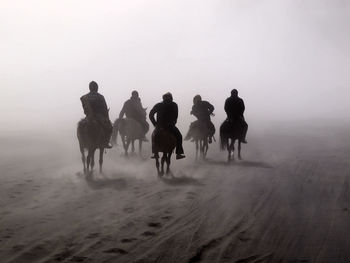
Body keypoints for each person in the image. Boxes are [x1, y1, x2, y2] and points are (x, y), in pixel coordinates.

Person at [149, 92, 185, 160]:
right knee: (179, 136)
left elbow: (151, 114)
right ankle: (178, 153)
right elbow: (175, 116)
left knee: (153, 136)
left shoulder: (158, 105)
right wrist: (173, 122)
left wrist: (155, 124)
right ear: (171, 98)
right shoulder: (174, 104)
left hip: (159, 126)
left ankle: (155, 153)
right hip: (170, 126)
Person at [80, 81, 113, 148]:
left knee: (81, 125)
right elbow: (104, 108)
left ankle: (81, 141)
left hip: (88, 117)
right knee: (109, 127)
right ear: (97, 88)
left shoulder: (84, 97)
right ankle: (106, 142)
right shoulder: (100, 97)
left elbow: (84, 108)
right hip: (98, 116)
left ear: (89, 88)